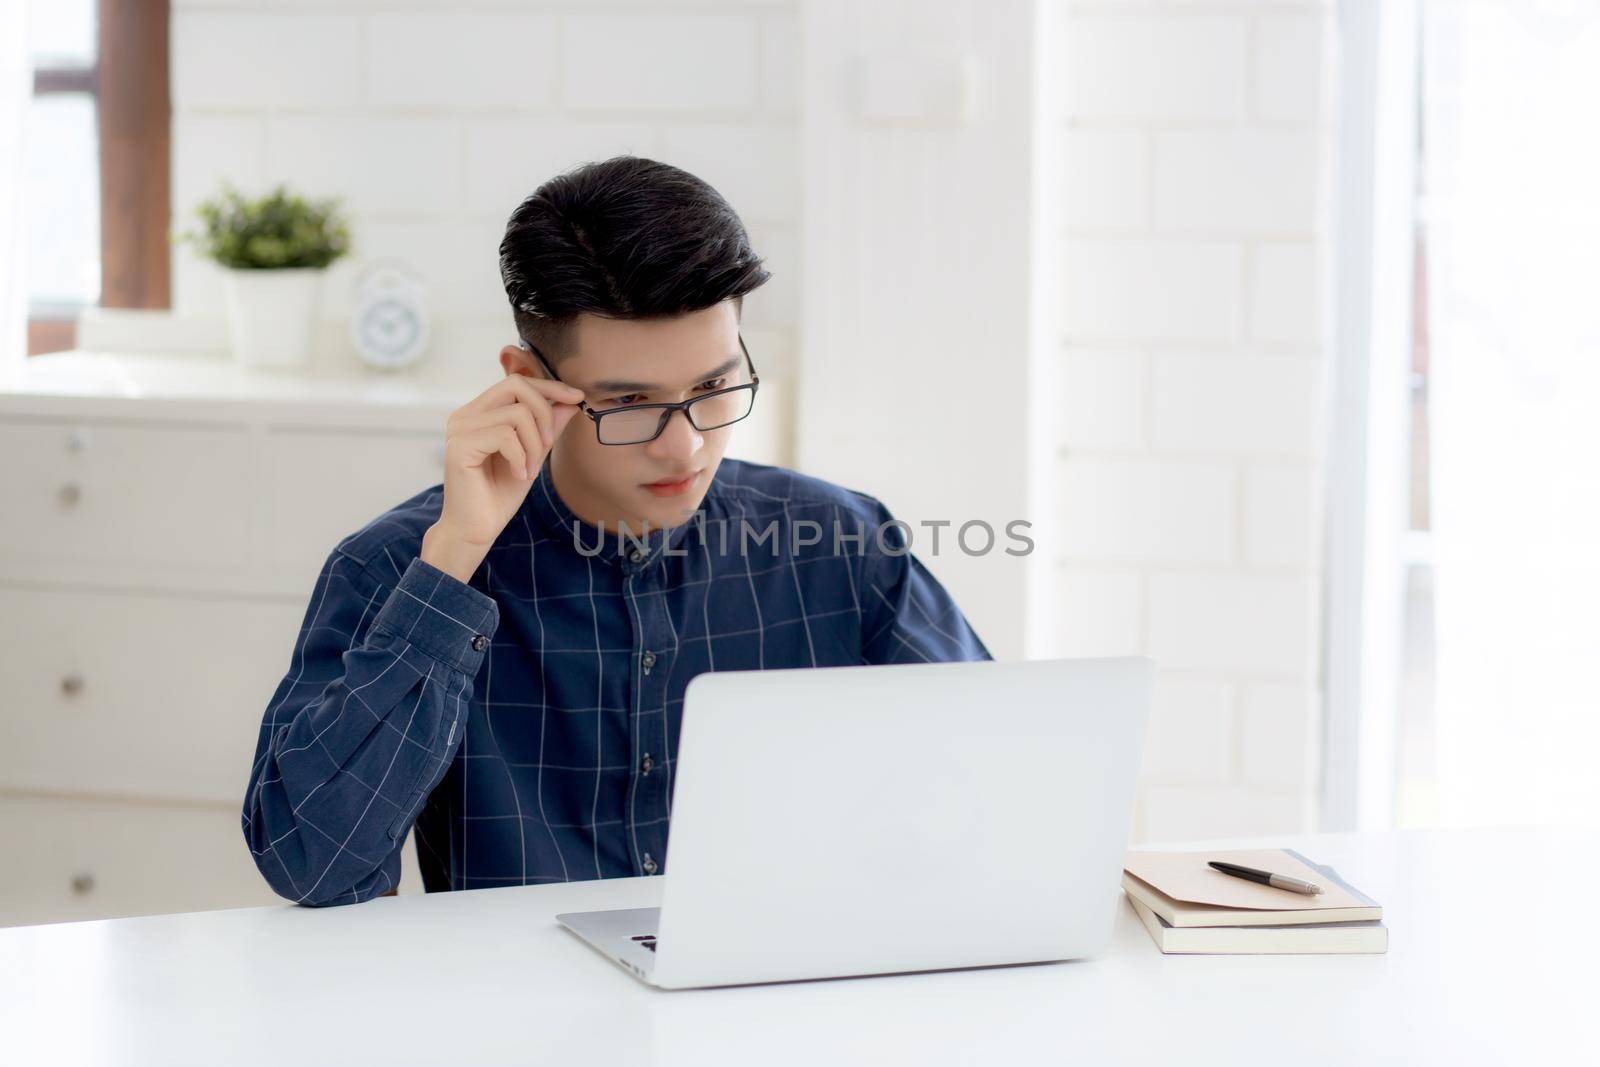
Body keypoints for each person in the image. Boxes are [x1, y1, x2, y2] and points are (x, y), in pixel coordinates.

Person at [241, 156, 990, 906]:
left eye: (713, 387)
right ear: (528, 381)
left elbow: (997, 788)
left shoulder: (842, 545)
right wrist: (450, 567)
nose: (685, 446)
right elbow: (315, 867)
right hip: (514, 1014)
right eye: (632, 401)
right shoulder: (398, 568)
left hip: (783, 1008)